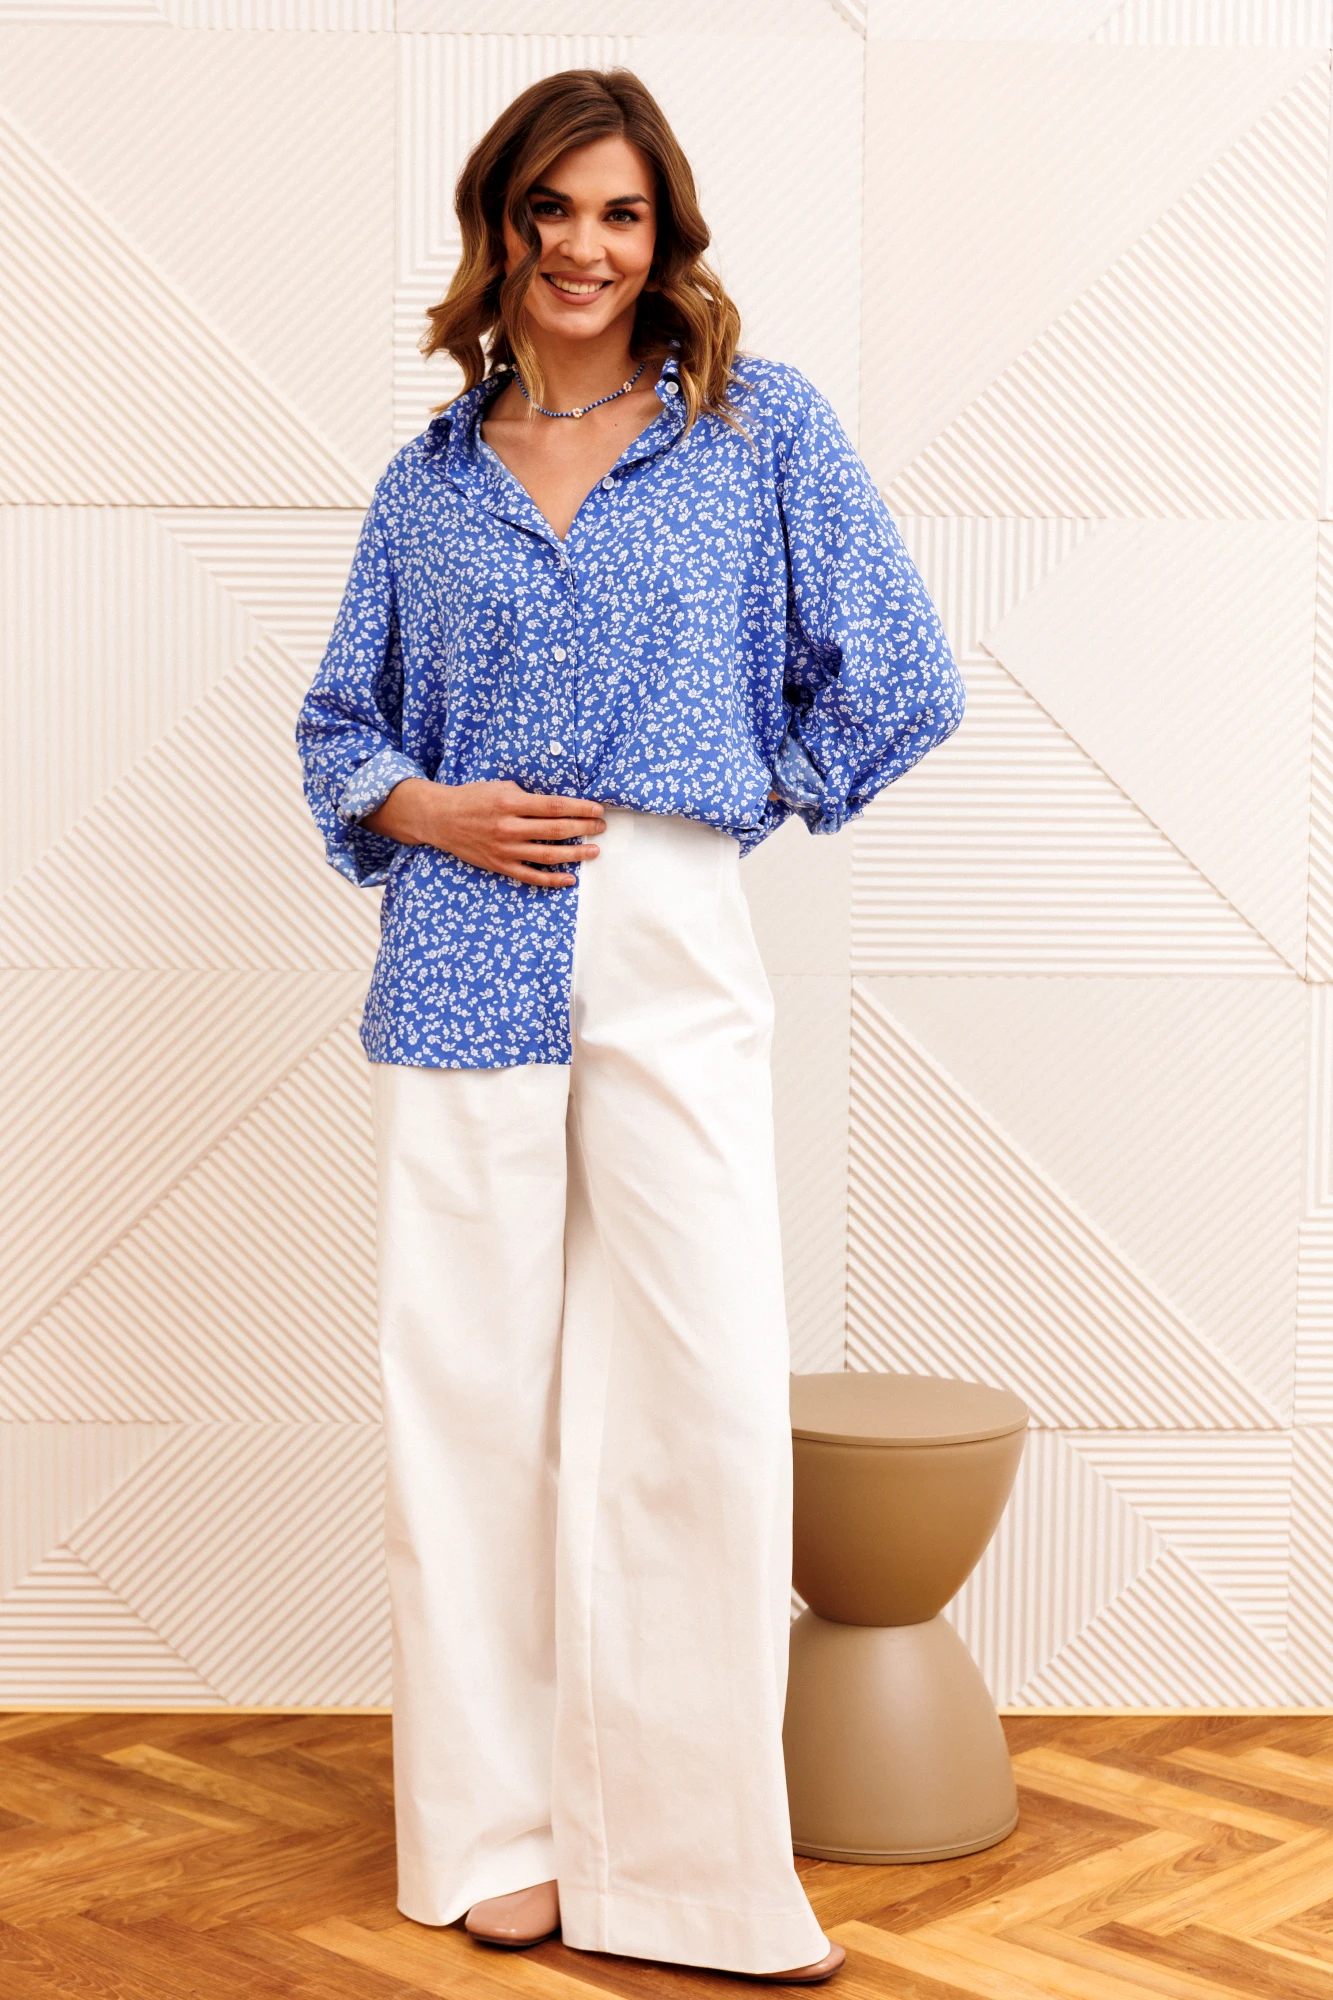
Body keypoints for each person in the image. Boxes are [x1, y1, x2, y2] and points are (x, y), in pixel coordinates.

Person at [295, 65, 963, 1987]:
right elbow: (339, 729)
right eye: (549, 210)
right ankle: (493, 1840)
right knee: (470, 1406)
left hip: (669, 932)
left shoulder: (758, 431)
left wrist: (728, 802)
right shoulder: (427, 484)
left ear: (662, 237)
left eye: (620, 213)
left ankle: (682, 1867)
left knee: (699, 1393)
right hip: (460, 952)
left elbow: (903, 677)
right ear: (497, 230)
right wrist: (428, 809)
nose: (584, 248)